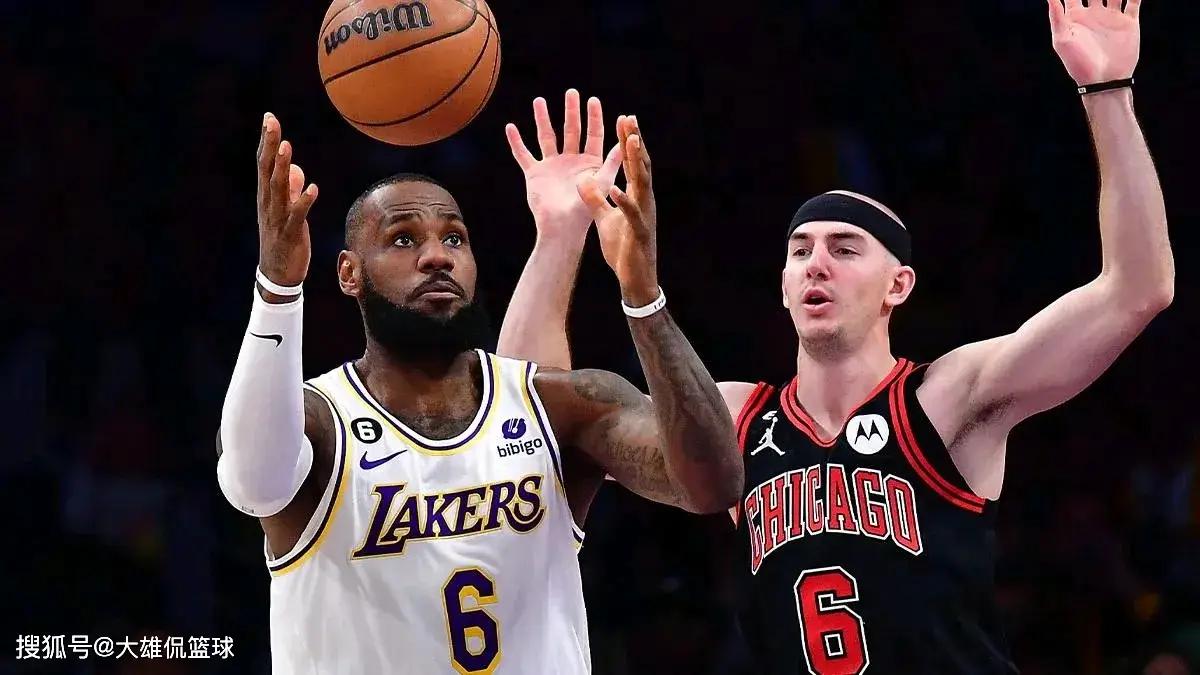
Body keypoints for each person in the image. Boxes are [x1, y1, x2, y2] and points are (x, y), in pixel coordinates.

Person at [498, 2, 1173, 672]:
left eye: (845, 248)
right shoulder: (732, 417)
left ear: (897, 286)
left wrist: (1108, 90)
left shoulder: (946, 397)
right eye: (800, 251)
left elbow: (1137, 288)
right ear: (784, 287)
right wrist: (558, 236)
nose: (816, 263)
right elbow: (528, 428)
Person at [215, 92, 743, 674]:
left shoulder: (561, 405)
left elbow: (712, 484)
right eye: (403, 239)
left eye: (454, 238)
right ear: (348, 273)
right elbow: (253, 485)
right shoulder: (317, 421)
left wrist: (643, 297)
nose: (436, 257)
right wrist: (278, 287)